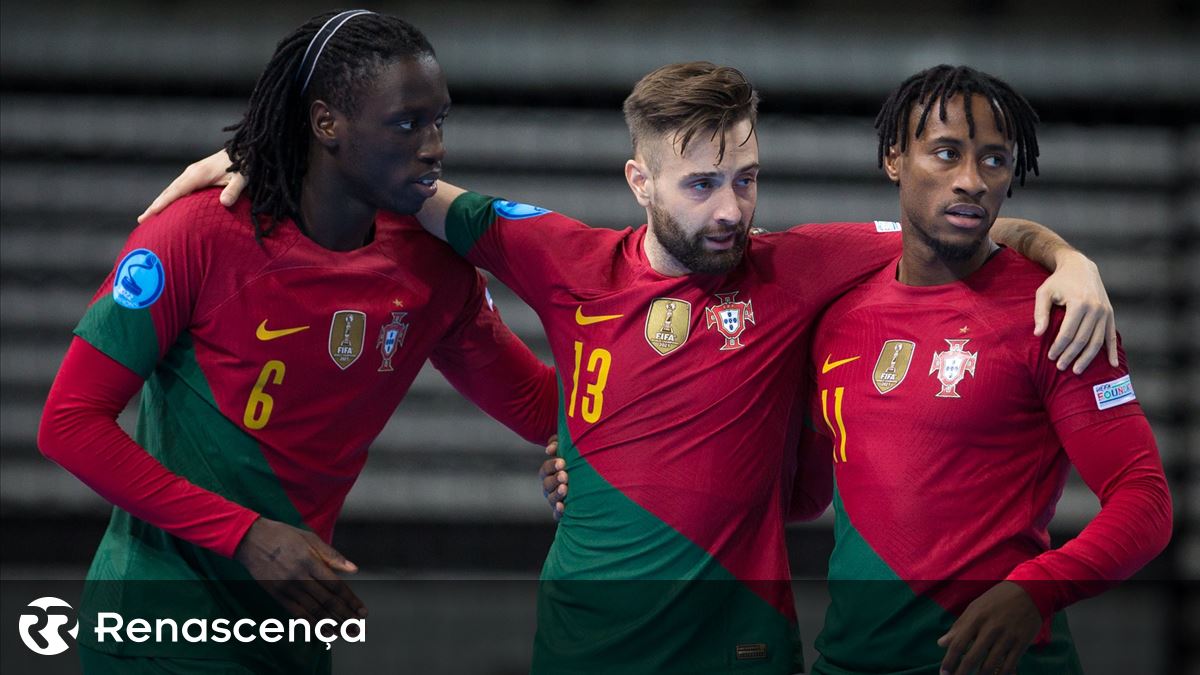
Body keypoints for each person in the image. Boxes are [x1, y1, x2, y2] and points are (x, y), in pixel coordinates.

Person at [147, 62, 1116, 674]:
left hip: (740, 642)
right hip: (584, 642)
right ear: (639, 182)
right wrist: (244, 161)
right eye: (701, 185)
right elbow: (392, 181)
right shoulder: (558, 254)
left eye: (746, 178)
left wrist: (1068, 258)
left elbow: (964, 220)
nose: (731, 208)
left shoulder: (798, 262)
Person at [37, 11, 556, 674]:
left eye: (440, 121)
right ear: (326, 123)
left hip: (291, 635)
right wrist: (245, 534)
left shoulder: (432, 271)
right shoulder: (198, 233)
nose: (434, 146)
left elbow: (544, 409)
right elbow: (68, 424)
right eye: (406, 123)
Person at [803, 64, 1172, 675]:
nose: (971, 181)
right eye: (946, 154)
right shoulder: (838, 313)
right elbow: (807, 489)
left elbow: (1146, 502)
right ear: (895, 159)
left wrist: (1039, 589)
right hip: (847, 661)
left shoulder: (1057, 311)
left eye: (995, 161)